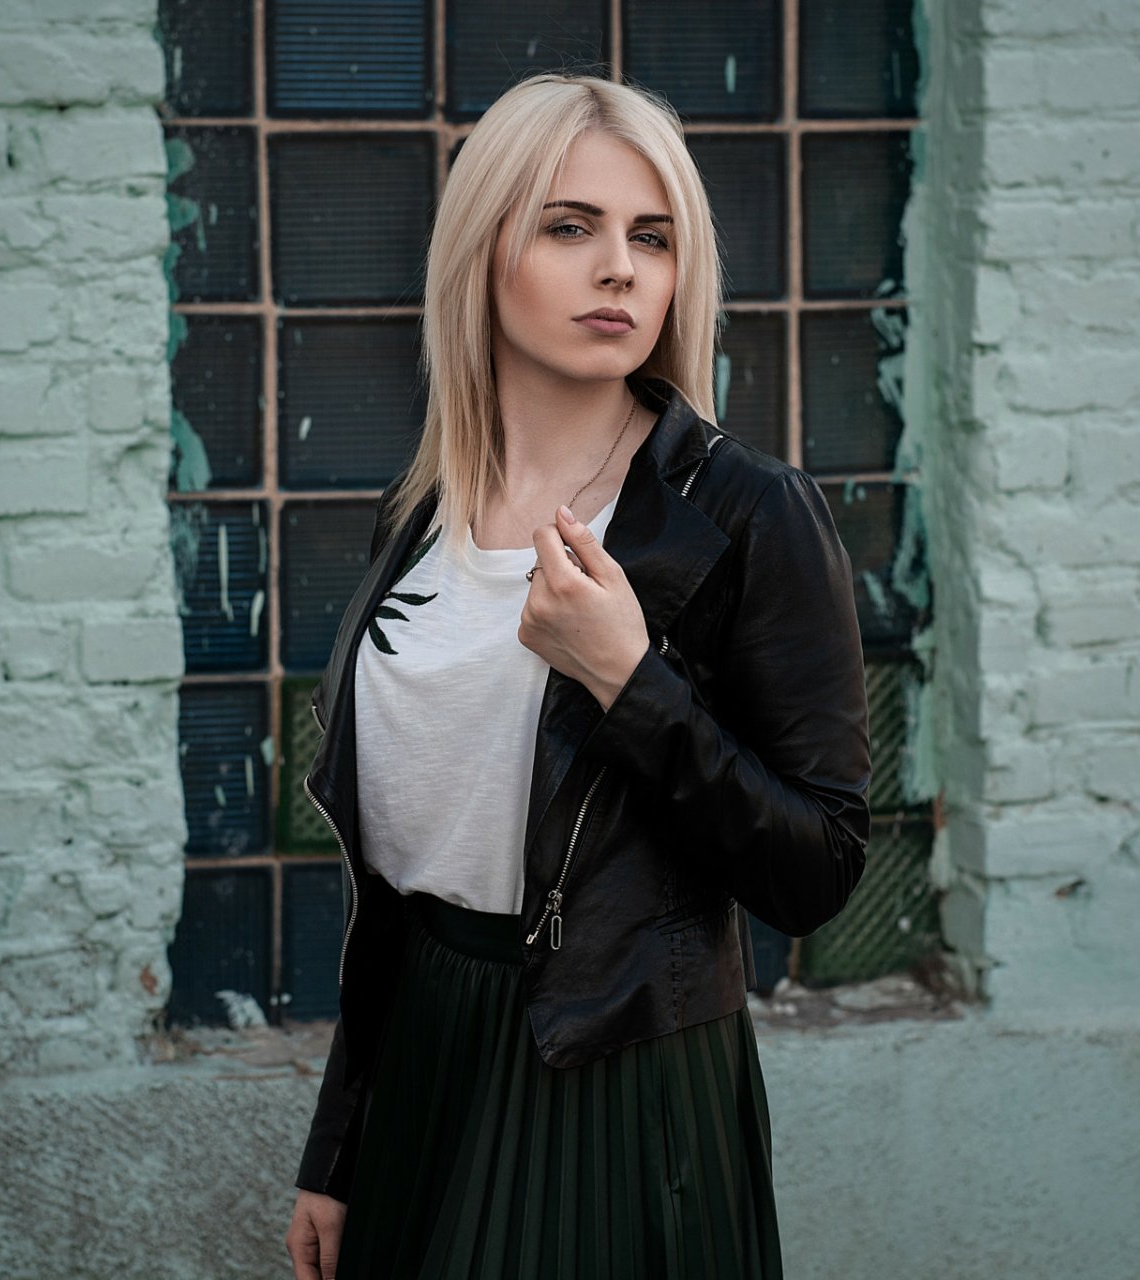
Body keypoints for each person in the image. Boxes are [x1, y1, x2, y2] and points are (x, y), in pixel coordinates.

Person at [284, 71, 874, 1280]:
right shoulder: (428, 521)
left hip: (616, 1065)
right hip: (427, 1060)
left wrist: (630, 681)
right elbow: (397, 885)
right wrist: (337, 1147)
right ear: (483, 252)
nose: (620, 268)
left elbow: (820, 865)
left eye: (651, 237)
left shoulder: (745, 512)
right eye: (571, 226)